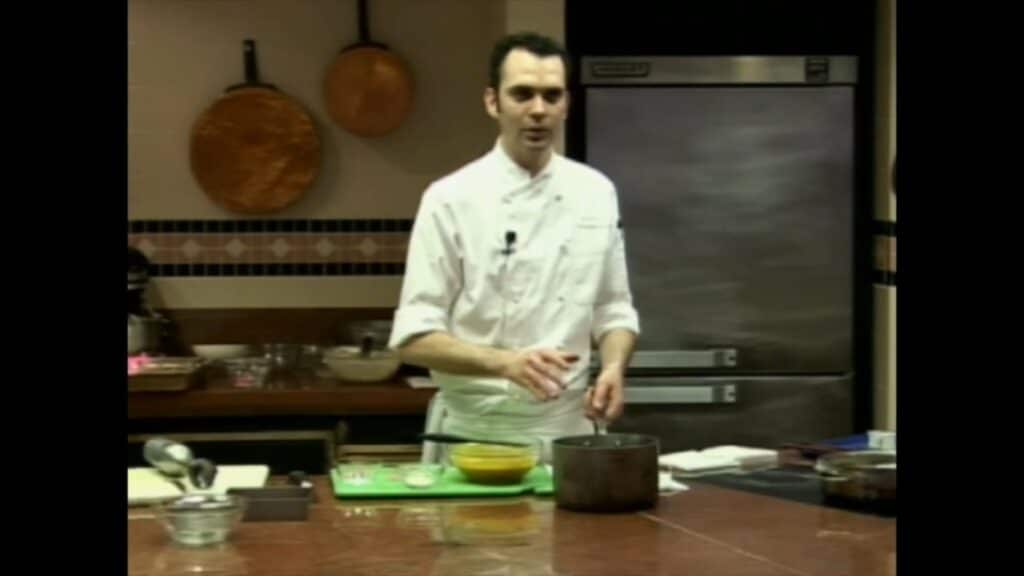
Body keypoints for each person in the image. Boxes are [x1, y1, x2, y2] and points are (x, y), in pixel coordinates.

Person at [388, 32, 640, 461]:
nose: (538, 110)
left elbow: (613, 309)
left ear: (566, 104)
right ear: (493, 102)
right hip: (474, 437)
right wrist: (505, 363)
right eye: (522, 94)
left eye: (551, 95)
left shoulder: (596, 192)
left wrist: (614, 367)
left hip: (569, 434)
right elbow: (413, 337)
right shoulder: (450, 198)